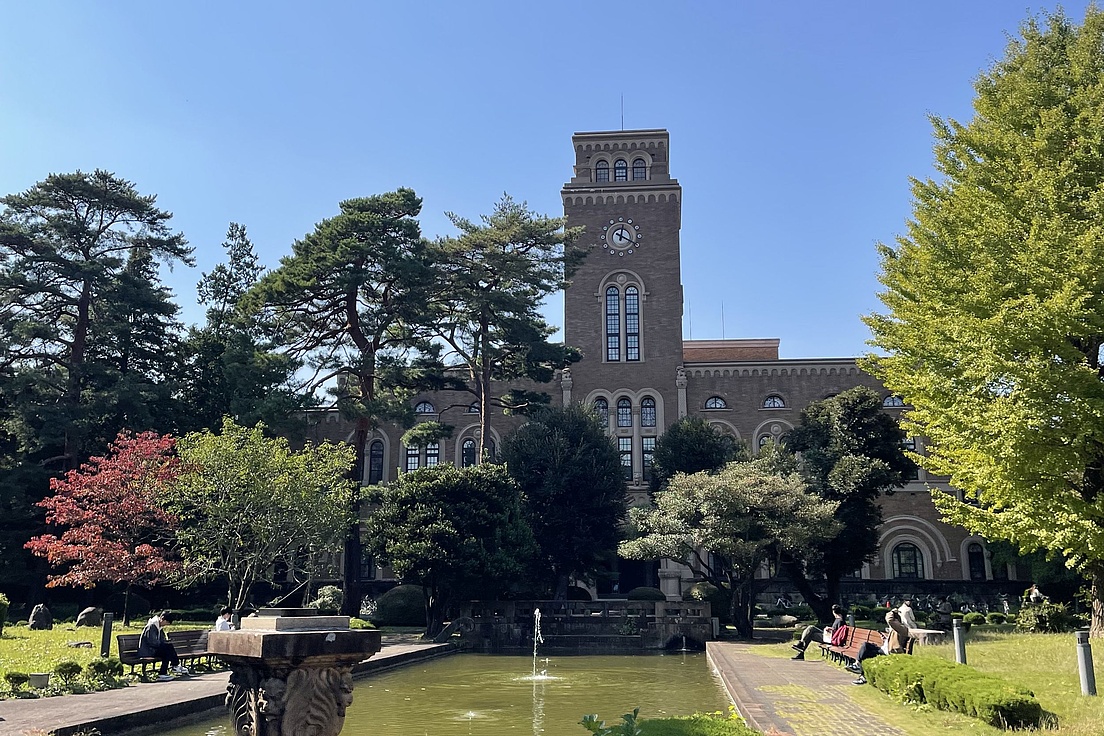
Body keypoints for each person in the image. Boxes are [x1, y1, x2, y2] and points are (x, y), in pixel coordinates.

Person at [848, 609, 910, 685]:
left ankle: (861, 674)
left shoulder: (900, 629)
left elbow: (889, 619)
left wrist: (892, 612)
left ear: (897, 621)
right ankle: (858, 665)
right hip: (882, 649)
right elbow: (893, 641)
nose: (889, 625)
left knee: (866, 653)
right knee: (866, 645)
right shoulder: (896, 630)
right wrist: (885, 639)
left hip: (886, 653)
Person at [139, 610, 186, 680]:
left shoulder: (159, 627)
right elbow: (152, 642)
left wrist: (166, 642)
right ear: (162, 618)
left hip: (153, 650)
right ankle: (174, 666)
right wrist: (164, 644)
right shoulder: (151, 626)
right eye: (166, 623)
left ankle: (165, 672)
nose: (165, 625)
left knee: (168, 648)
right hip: (148, 651)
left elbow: (162, 639)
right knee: (167, 649)